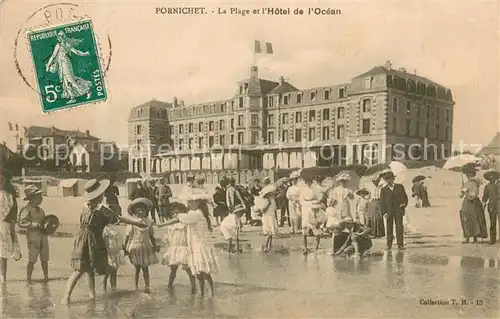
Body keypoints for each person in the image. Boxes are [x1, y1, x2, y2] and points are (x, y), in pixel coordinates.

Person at [61, 179, 150, 305]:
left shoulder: (85, 206)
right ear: (99, 195)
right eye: (101, 193)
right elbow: (118, 219)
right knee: (83, 269)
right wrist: (136, 223)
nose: (103, 195)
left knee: (85, 269)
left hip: (82, 239)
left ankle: (76, 296)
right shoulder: (101, 209)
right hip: (93, 240)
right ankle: (71, 296)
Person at [161, 190, 219, 296]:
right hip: (196, 246)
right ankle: (201, 294)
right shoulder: (195, 213)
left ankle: (210, 294)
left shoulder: (196, 213)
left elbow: (179, 219)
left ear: (197, 202)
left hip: (200, 246)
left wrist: (162, 224)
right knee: (198, 273)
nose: (188, 204)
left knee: (204, 272)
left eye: (190, 202)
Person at [158, 202, 196, 293]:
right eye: (174, 214)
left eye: (178, 213)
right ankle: (169, 285)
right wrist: (160, 244)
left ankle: (193, 287)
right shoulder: (170, 226)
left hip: (184, 248)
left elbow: (190, 236)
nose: (176, 216)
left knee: (188, 269)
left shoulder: (186, 225)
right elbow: (167, 236)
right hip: (174, 249)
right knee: (173, 269)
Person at [45, 31, 92, 104]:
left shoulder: (60, 45)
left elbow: (53, 56)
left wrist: (48, 65)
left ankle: (87, 90)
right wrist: (84, 54)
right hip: (63, 64)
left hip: (65, 64)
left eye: (59, 37)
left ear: (61, 37)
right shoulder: (67, 44)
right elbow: (76, 52)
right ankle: (72, 97)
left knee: (71, 80)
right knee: (66, 80)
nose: (58, 38)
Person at [124, 197, 159, 293]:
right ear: (134, 212)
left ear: (146, 211)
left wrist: (155, 246)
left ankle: (147, 286)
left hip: (145, 246)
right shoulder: (132, 223)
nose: (140, 212)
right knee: (137, 268)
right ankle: (135, 286)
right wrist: (125, 248)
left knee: (145, 268)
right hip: (135, 247)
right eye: (138, 210)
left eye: (142, 210)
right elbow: (127, 236)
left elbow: (152, 236)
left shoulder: (149, 223)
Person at [18, 185, 50, 284]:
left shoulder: (41, 210)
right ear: (33, 198)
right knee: (32, 258)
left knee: (45, 258)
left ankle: (46, 278)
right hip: (33, 236)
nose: (42, 198)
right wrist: (34, 224)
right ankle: (28, 279)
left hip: (43, 235)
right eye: (40, 196)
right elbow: (21, 222)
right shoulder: (26, 209)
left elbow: (45, 222)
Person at [0, 168, 21, 284]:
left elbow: (13, 214)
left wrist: (13, 231)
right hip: (4, 225)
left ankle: (3, 279)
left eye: (1, 179)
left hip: (4, 226)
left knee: (2, 255)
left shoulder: (10, 196)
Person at [379, 170, 408, 251]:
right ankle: (389, 245)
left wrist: (404, 204)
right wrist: (384, 212)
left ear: (393, 179)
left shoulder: (400, 187)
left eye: (389, 179)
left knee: (399, 227)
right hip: (388, 211)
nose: (388, 181)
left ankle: (400, 244)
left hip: (399, 210)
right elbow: (382, 202)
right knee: (389, 228)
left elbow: (405, 198)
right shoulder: (384, 189)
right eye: (386, 179)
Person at [459, 166, 488, 244]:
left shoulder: (476, 183)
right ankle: (467, 237)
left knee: (475, 219)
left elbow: (475, 194)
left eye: (471, 175)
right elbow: (460, 196)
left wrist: (468, 191)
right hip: (466, 203)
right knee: (466, 219)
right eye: (468, 175)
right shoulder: (465, 184)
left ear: (473, 175)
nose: (469, 177)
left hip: (474, 202)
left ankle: (475, 238)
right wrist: (462, 191)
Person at [254, 185, 279, 253]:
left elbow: (274, 209)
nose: (272, 195)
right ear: (268, 195)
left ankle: (269, 246)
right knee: (269, 233)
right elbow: (262, 211)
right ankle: (265, 246)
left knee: (271, 233)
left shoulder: (272, 200)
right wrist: (268, 204)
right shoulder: (265, 201)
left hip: (271, 216)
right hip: (267, 217)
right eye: (271, 194)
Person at [102, 220, 125, 291]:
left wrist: (122, 249)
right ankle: (104, 289)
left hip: (115, 252)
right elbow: (104, 241)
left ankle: (113, 288)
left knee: (114, 272)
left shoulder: (116, 228)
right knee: (106, 273)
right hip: (108, 253)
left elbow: (120, 241)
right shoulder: (105, 228)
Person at [482, 171, 500, 244]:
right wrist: (483, 204)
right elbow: (485, 197)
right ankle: (492, 239)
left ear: (496, 177)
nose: (491, 178)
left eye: (493, 177)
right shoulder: (487, 186)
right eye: (490, 177)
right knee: (492, 222)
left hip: (499, 204)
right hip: (491, 206)